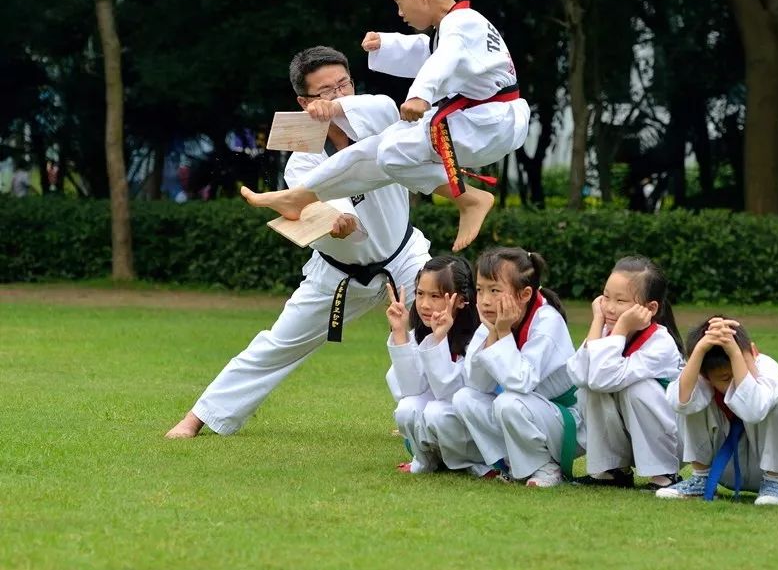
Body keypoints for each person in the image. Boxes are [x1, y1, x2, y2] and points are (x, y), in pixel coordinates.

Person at [165, 46, 431, 438]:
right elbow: (333, 216)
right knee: (278, 344)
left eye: (344, 84)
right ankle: (200, 417)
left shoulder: (382, 123)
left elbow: (386, 105)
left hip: (404, 257)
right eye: (326, 92)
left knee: (437, 323)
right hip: (340, 274)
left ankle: (419, 414)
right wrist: (340, 223)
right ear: (304, 103)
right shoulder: (301, 161)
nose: (339, 96)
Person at [239, 0, 529, 253]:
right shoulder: (458, 25)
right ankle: (300, 197)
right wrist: (387, 44)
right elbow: (429, 51)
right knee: (376, 150)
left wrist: (420, 95)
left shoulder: (461, 25)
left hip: (487, 123)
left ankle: (467, 198)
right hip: (483, 121)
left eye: (400, 3)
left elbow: (445, 58)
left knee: (391, 153)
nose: (400, 14)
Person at [452, 248, 581, 487]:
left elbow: (522, 382)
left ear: (524, 294)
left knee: (508, 401)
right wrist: (493, 333)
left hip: (566, 420)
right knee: (464, 398)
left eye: (495, 290)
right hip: (529, 413)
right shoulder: (494, 320)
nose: (485, 300)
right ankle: (511, 462)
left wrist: (502, 332)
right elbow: (477, 383)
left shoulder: (547, 323)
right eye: (480, 290)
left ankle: (546, 467)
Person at [567, 256, 684, 489]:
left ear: (650, 309)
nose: (610, 307)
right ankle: (612, 470)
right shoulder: (605, 332)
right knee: (589, 390)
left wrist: (619, 328)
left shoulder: (661, 343)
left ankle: (664, 473)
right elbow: (580, 376)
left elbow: (602, 378)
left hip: (669, 439)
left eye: (621, 300)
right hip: (628, 433)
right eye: (606, 297)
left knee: (639, 389)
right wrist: (597, 322)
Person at [656, 316, 778, 505]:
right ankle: (700, 479)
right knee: (688, 401)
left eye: (741, 363)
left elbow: (755, 409)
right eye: (724, 378)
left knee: (777, 403)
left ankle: (775, 484)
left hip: (766, 466)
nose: (734, 383)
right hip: (721, 468)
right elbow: (680, 402)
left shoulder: (767, 366)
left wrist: (736, 354)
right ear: (705, 374)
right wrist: (699, 351)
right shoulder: (702, 377)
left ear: (754, 352)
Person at [384, 255, 493, 476]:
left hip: (477, 428)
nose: (424, 304)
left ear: (461, 300)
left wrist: (440, 340)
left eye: (435, 296)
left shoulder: (481, 336)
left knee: (437, 411)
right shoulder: (420, 333)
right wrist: (399, 333)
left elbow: (451, 394)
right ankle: (425, 460)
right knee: (407, 408)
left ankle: (475, 464)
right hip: (445, 424)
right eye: (420, 294)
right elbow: (409, 390)